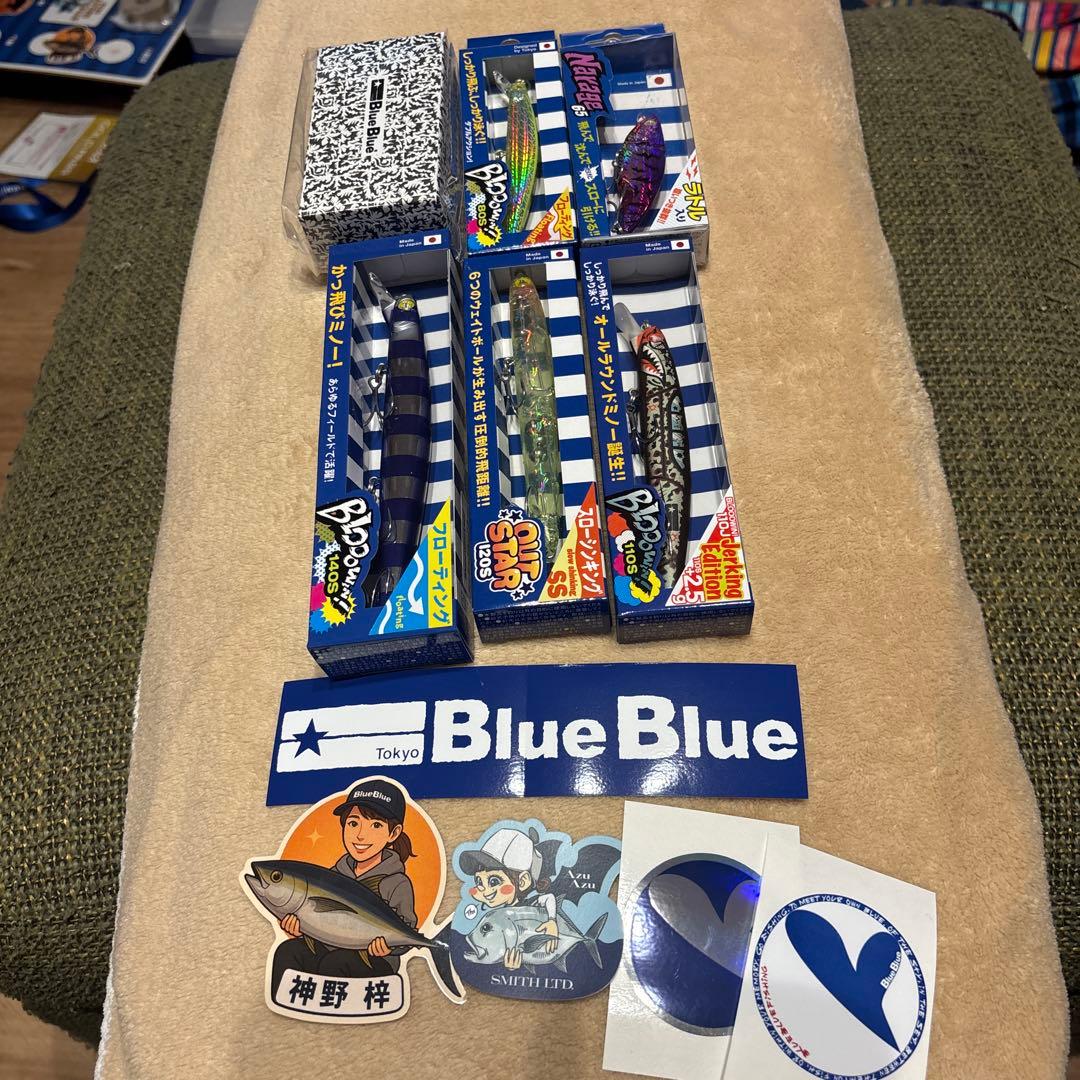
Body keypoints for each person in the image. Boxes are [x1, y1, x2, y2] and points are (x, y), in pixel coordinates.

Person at [271, 780, 417, 993]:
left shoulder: (397, 883)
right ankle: (286, 1000)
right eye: (353, 823)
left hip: (375, 960)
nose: (360, 835)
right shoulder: (333, 875)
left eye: (376, 825)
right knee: (289, 951)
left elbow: (408, 927)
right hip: (330, 948)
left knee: (337, 963)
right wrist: (301, 928)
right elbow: (322, 921)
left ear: (393, 833)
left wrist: (391, 948)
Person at [458, 827, 559, 970]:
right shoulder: (500, 914)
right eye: (479, 881)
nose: (484, 889)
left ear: (523, 881)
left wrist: (552, 921)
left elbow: (549, 898)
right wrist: (511, 967)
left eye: (494, 881)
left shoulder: (532, 905)